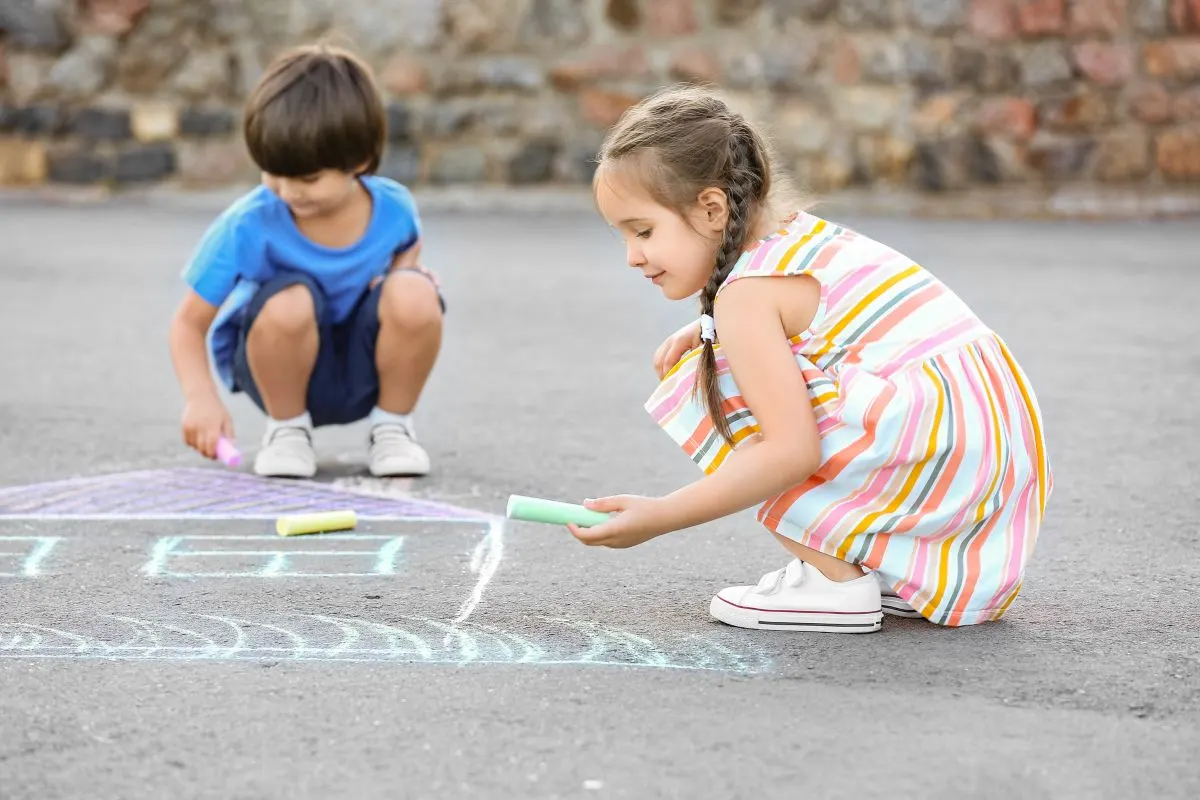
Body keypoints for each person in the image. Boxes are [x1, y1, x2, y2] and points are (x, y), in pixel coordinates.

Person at [574, 86, 1052, 633]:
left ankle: (833, 584)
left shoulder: (745, 299)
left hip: (943, 449)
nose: (632, 256)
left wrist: (660, 516)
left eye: (643, 231)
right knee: (718, 350)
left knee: (710, 375)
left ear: (711, 208)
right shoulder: (795, 238)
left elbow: (790, 452)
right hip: (983, 455)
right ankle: (887, 566)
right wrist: (710, 327)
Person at [168, 43, 444, 479]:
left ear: (359, 161)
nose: (287, 191)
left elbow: (407, 255)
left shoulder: (394, 209)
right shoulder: (249, 223)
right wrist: (199, 397)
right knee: (290, 299)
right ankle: (287, 432)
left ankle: (392, 428)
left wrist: (404, 278)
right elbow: (188, 324)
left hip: (359, 372)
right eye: (272, 172)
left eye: (307, 178)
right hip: (278, 370)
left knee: (415, 290)